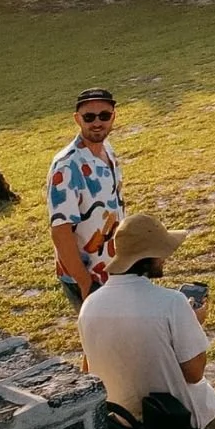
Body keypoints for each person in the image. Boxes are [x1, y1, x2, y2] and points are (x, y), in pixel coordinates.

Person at [77, 213, 215, 429]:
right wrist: (194, 322)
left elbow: (88, 369)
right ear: (152, 257)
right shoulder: (172, 303)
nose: (165, 259)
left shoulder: (90, 305)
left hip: (122, 418)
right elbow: (194, 373)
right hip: (174, 415)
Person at [49, 88, 125, 312]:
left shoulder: (107, 150)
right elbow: (61, 231)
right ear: (77, 119)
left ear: (113, 116)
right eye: (89, 117)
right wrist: (84, 282)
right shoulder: (67, 166)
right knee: (102, 343)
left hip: (112, 269)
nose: (97, 123)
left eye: (104, 115)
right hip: (88, 277)